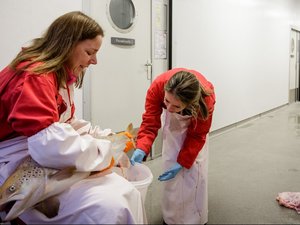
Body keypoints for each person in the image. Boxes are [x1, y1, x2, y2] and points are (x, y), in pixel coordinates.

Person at [0, 11, 146, 224]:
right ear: (67, 44)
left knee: (122, 192)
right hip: (16, 161)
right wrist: (105, 152)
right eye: (90, 52)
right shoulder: (35, 77)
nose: (94, 61)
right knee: (110, 204)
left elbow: (62, 121)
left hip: (35, 152)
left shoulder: (56, 72)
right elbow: (50, 146)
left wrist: (103, 136)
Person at [131, 68, 216, 224]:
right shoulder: (157, 87)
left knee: (194, 170)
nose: (168, 110)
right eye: (166, 101)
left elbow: (197, 135)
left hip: (195, 129)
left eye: (176, 107)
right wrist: (141, 148)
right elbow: (150, 122)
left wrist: (183, 161)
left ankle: (196, 217)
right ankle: (172, 217)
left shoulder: (206, 100)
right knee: (170, 164)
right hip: (175, 124)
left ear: (191, 103)